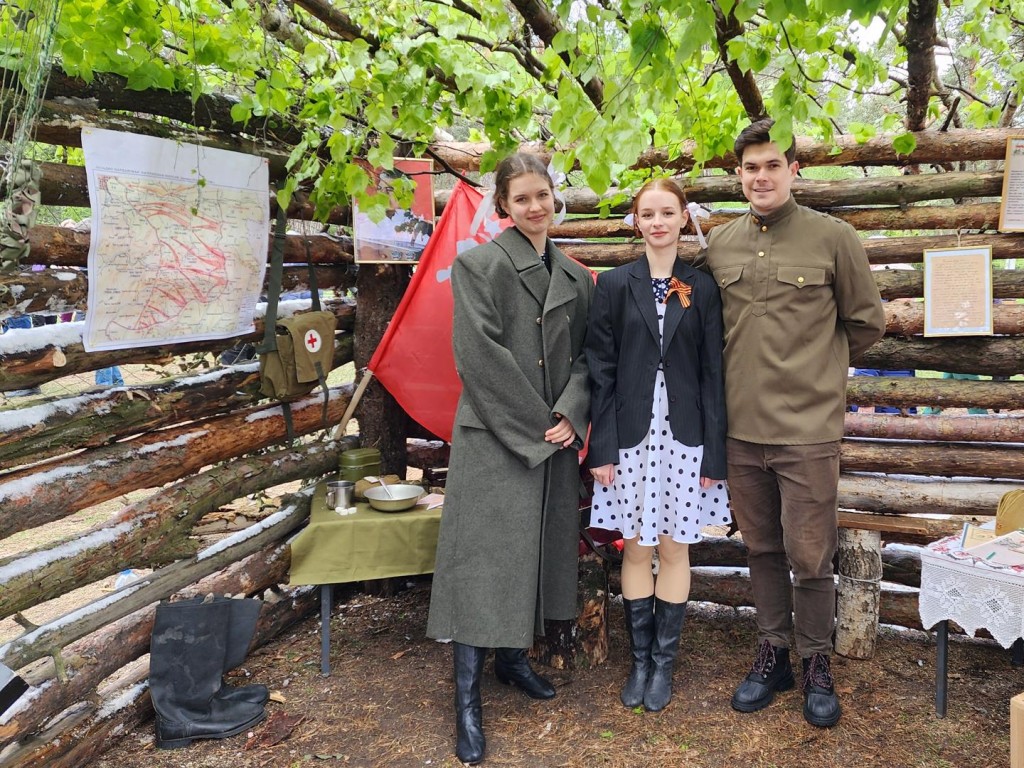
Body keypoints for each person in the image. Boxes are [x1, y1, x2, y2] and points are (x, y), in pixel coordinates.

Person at [702, 118, 885, 728]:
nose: (761, 176)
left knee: (811, 557)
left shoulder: (834, 238)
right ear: (739, 175)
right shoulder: (721, 245)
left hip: (807, 431)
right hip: (740, 430)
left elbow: (866, 324)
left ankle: (814, 663)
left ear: (794, 170)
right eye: (751, 167)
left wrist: (819, 373)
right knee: (760, 548)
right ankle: (774, 653)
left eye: (772, 165)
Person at [426, 153, 593, 765]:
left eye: (542, 195)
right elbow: (479, 357)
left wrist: (571, 413)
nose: (534, 207)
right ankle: (466, 700)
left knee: (536, 555)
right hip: (497, 438)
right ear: (502, 206)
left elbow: (585, 360)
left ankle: (513, 661)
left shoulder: (576, 278)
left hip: (552, 439)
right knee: (484, 564)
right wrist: (541, 423)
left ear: (555, 198)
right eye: (521, 198)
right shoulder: (478, 266)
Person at [585, 179, 729, 712]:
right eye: (648, 213)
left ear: (683, 216)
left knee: (673, 547)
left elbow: (714, 374)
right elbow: (600, 370)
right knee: (637, 546)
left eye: (668, 212)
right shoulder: (615, 286)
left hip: (685, 437)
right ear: (636, 221)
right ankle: (639, 661)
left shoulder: (702, 287)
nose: (659, 222)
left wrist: (714, 453)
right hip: (630, 438)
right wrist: (601, 446)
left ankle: (664, 664)